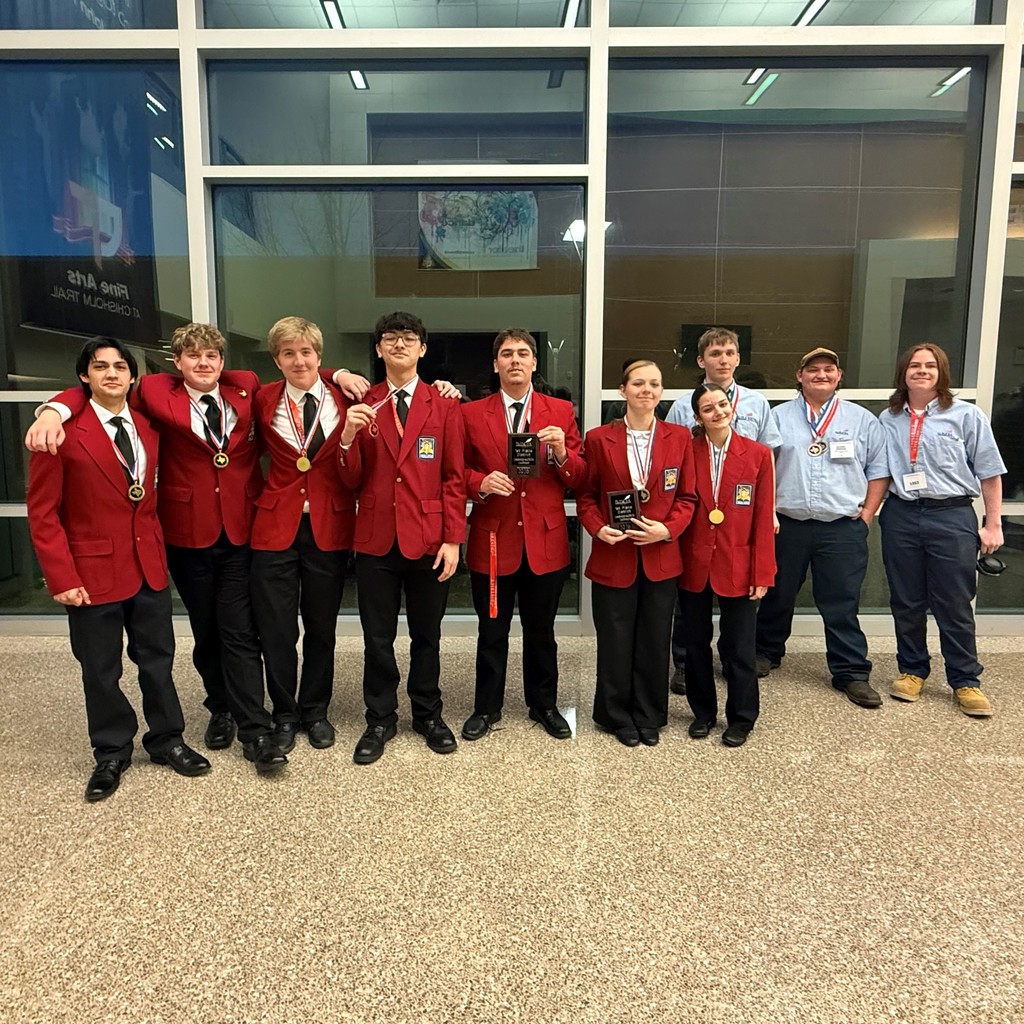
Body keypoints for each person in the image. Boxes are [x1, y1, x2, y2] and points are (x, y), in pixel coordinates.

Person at [25, 324, 294, 773]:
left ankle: (254, 729)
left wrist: (340, 373)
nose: (203, 363)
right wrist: (52, 409)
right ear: (176, 363)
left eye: (212, 355)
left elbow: (297, 370)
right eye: (193, 356)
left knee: (237, 633)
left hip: (237, 532)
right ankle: (213, 712)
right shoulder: (150, 395)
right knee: (202, 633)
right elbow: (92, 395)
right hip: (184, 536)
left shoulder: (244, 387)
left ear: (223, 361)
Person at [27, 337, 211, 801]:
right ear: (84, 376)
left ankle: (167, 739)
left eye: (120, 367)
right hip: (90, 575)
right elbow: (43, 513)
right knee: (100, 669)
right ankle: (111, 750)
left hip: (147, 564)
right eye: (100, 367)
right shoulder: (61, 431)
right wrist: (62, 578)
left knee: (158, 661)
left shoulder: (149, 423)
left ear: (132, 376)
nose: (111, 373)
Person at [338, 311, 467, 764]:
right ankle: (380, 718)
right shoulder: (361, 403)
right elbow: (350, 480)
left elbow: (453, 477)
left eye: (408, 338)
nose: (399, 345)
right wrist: (348, 439)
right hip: (376, 539)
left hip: (431, 539)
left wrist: (454, 539)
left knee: (427, 635)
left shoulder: (445, 405)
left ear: (423, 349)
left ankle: (429, 714)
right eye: (390, 339)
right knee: (377, 636)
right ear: (378, 350)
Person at [460, 329, 588, 742]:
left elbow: (580, 476)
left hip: (544, 542)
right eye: (506, 354)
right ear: (495, 364)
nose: (515, 360)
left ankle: (544, 705)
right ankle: (486, 708)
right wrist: (480, 482)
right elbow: (453, 472)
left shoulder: (560, 410)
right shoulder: (470, 414)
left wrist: (562, 454)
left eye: (523, 354)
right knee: (491, 631)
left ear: (535, 363)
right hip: (494, 539)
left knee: (541, 633)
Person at [754, 347, 890, 708]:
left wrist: (867, 514)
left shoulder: (862, 420)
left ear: (839, 375)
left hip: (841, 528)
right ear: (799, 376)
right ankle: (766, 652)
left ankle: (851, 672)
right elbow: (764, 469)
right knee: (777, 593)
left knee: (841, 601)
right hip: (789, 526)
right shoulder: (778, 417)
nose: (821, 375)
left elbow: (879, 470)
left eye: (828, 369)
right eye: (813, 370)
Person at [878, 343, 1006, 717]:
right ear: (903, 372)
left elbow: (990, 473)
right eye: (914, 365)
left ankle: (966, 680)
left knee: (953, 601)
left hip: (951, 516)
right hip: (901, 514)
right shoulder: (889, 418)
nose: (922, 371)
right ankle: (912, 670)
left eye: (930, 365)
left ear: (941, 372)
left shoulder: (966, 416)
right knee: (906, 599)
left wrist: (993, 522)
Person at [577, 359, 697, 747]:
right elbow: (586, 497)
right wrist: (598, 528)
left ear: (661, 392)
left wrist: (668, 529)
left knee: (654, 638)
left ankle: (650, 714)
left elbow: (688, 497)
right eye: (639, 383)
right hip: (615, 556)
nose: (647, 390)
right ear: (622, 390)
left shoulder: (680, 438)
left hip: (660, 557)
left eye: (654, 384)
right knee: (614, 639)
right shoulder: (598, 438)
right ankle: (614, 715)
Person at [250, 316, 355, 753]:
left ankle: (315, 710)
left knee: (321, 627)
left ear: (320, 356)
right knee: (275, 629)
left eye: (306, 352)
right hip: (275, 528)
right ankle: (285, 714)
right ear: (276, 360)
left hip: (328, 526)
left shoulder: (346, 398)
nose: (298, 360)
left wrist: (338, 374)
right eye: (288, 353)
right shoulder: (260, 399)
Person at [665, 327, 781, 695]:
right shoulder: (683, 405)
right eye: (716, 354)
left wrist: (770, 508)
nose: (724, 359)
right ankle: (685, 666)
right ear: (702, 361)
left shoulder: (756, 403)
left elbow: (768, 457)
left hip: (741, 515)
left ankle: (734, 669)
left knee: (738, 612)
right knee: (690, 612)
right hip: (698, 520)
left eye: (730, 352)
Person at [678, 384, 776, 746]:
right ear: (697, 417)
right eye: (708, 408)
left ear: (732, 407)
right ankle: (703, 713)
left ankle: (742, 717)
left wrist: (762, 573)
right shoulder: (688, 451)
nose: (717, 412)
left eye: (722, 405)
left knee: (739, 646)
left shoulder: (758, 454)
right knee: (696, 643)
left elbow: (764, 517)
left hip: (739, 563)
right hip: (695, 563)